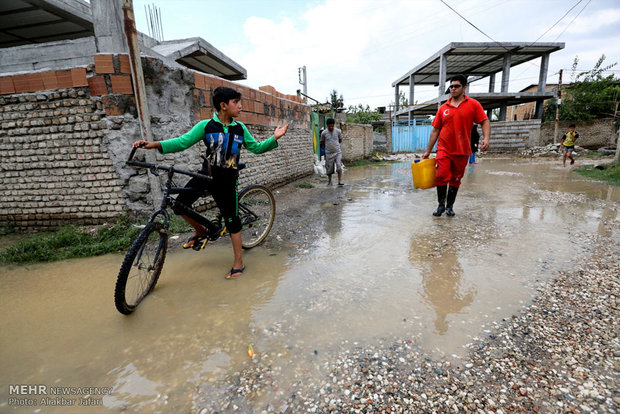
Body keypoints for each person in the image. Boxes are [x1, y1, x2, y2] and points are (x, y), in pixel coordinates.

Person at [132, 86, 289, 279]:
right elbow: (183, 142)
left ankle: (238, 262)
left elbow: (255, 148)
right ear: (223, 106)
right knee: (180, 205)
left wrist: (274, 138)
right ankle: (200, 230)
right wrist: (153, 145)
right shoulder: (206, 126)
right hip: (206, 175)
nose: (240, 106)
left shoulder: (240, 128)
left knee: (232, 220)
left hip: (228, 180)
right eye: (236, 102)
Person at [422, 74, 490, 217]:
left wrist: (486, 138)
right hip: (443, 149)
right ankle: (440, 205)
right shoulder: (443, 108)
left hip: (462, 150)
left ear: (464, 88)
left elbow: (484, 121)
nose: (453, 89)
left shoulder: (473, 105)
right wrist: (428, 151)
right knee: (440, 175)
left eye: (456, 86)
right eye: (451, 86)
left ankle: (450, 207)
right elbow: (435, 130)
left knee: (456, 179)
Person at [320, 118, 344, 186]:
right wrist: (328, 148)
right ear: (327, 125)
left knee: (339, 166)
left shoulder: (338, 131)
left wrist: (336, 146)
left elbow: (340, 140)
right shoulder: (324, 133)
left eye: (332, 126)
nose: (331, 127)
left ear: (334, 125)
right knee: (329, 168)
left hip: (337, 152)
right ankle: (330, 181)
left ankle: (340, 181)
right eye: (329, 126)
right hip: (328, 153)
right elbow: (322, 142)